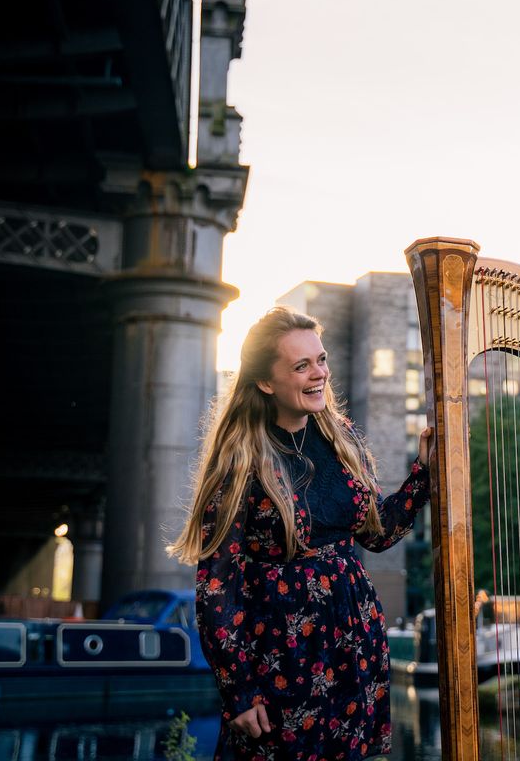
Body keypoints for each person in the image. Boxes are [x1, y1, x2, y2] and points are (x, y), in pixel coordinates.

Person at [168, 306, 433, 761]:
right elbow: (216, 587)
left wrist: (424, 474)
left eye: (322, 359)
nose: (320, 374)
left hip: (353, 644)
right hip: (282, 655)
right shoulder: (240, 459)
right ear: (266, 382)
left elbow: (376, 534)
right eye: (302, 365)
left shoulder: (341, 437)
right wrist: (240, 689)